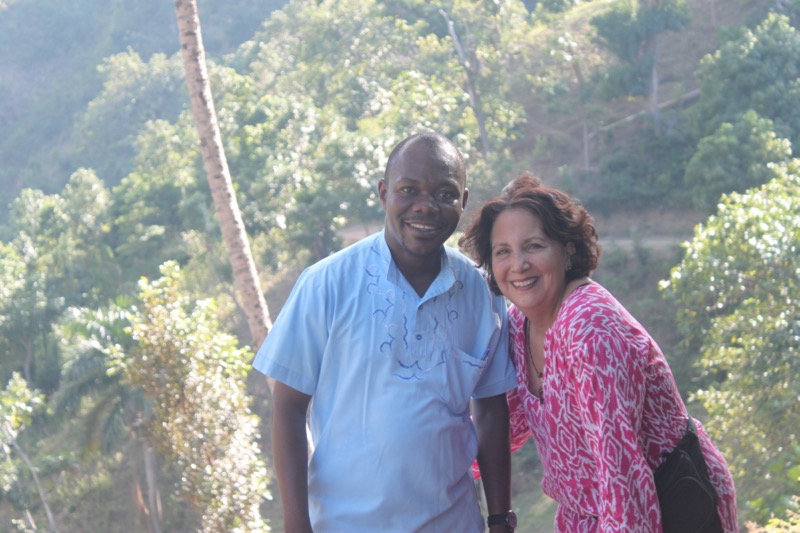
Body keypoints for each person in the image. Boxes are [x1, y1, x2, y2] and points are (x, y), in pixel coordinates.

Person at [253, 132, 518, 532]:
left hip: (454, 523)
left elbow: (491, 409)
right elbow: (289, 407)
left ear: (464, 200)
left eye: (445, 194)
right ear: (383, 193)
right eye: (408, 190)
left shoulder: (482, 292)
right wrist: (296, 523)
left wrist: (499, 517)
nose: (425, 207)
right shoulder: (327, 283)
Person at [459, 174, 738, 532]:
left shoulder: (590, 328)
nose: (518, 265)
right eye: (503, 252)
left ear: (568, 249)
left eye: (534, 246)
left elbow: (622, 475)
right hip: (589, 514)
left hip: (668, 503)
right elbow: (505, 425)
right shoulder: (518, 325)